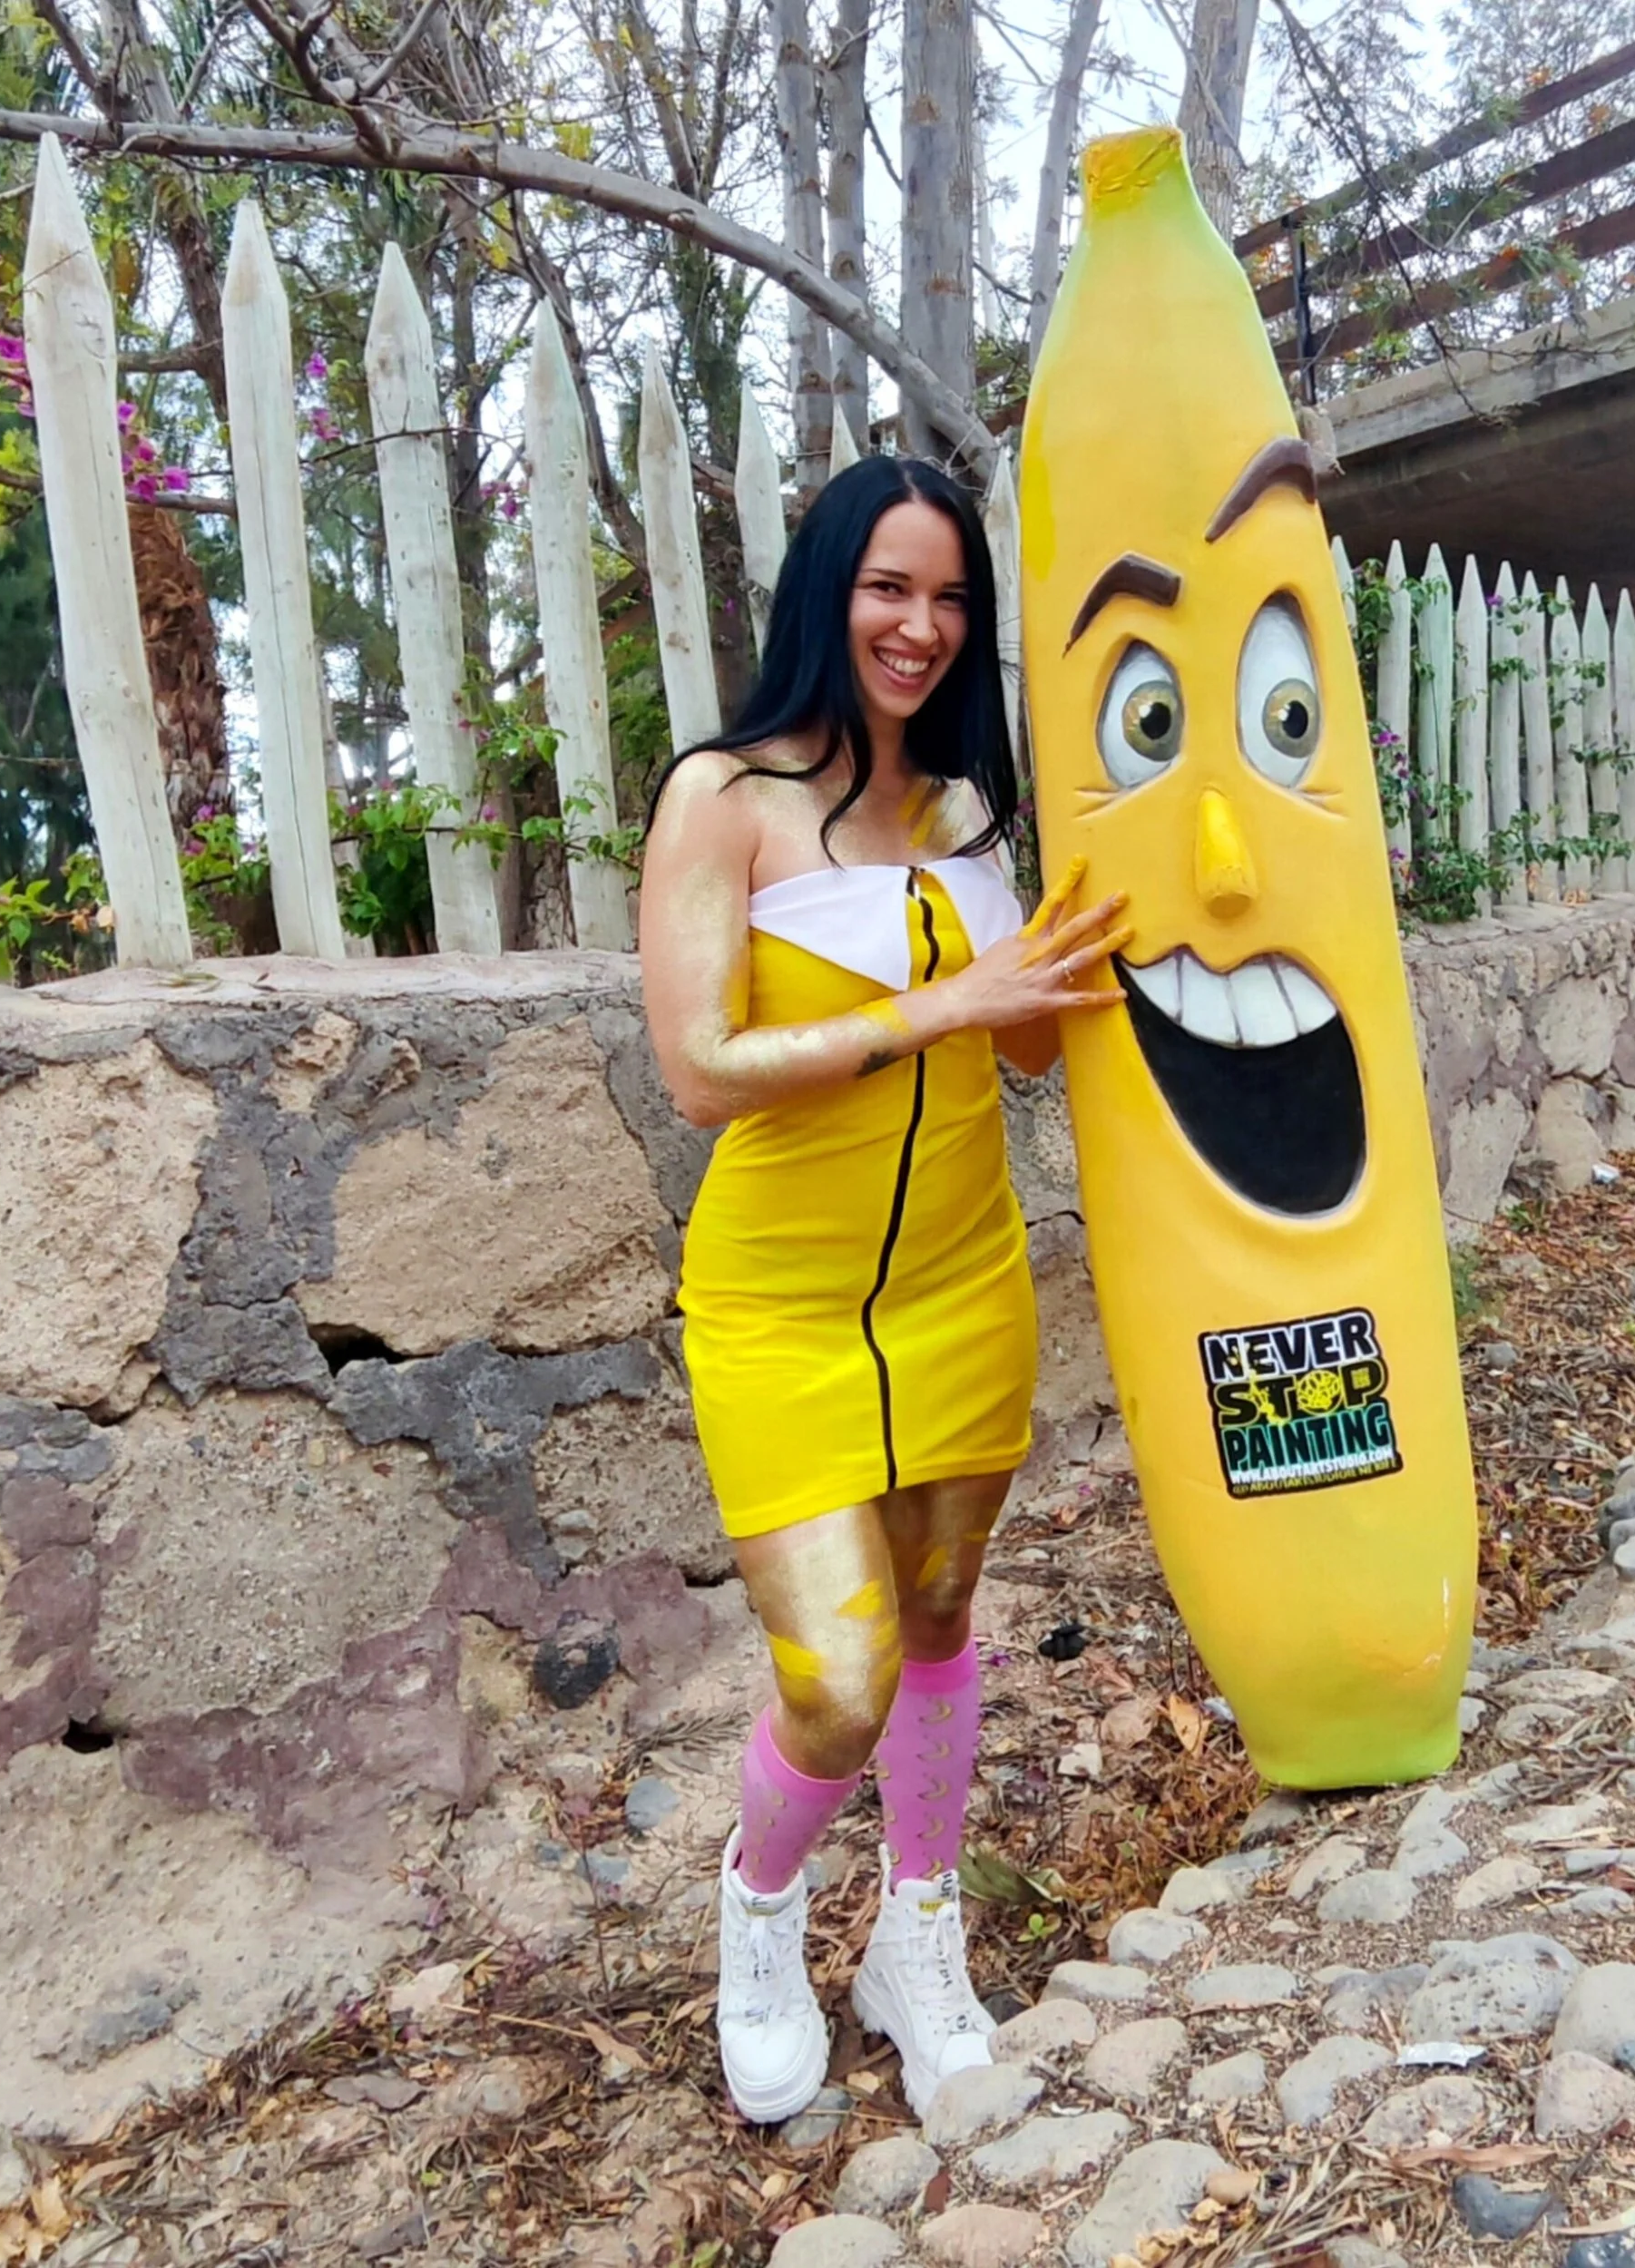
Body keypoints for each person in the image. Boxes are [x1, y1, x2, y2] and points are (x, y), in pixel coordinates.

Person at [637, 455, 1130, 2124]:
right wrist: (936, 998)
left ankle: (916, 1938)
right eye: (887, 588)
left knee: (936, 1623)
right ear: (826, 590)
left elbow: (1034, 1046)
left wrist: (1063, 942)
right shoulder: (728, 794)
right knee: (834, 1679)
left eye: (948, 598)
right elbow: (699, 1071)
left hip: (966, 1280)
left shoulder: (973, 813)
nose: (918, 627)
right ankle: (762, 1912)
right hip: (778, 1306)